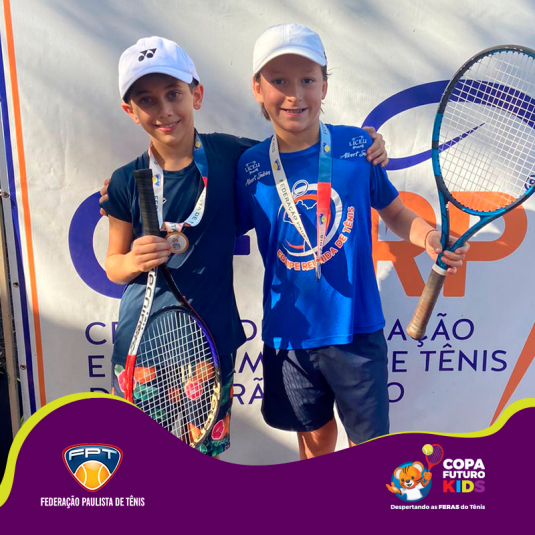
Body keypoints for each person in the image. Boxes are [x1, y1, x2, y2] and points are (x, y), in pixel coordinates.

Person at [100, 35, 388, 458]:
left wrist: (367, 144)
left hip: (210, 340)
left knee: (202, 460)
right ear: (130, 110)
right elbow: (113, 264)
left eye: (173, 94)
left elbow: (295, 151)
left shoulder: (233, 156)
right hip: (143, 341)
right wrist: (130, 261)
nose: (164, 110)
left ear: (196, 95)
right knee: (142, 461)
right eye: (146, 100)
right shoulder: (127, 180)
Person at [234, 23, 469, 460]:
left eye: (307, 80)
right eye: (279, 81)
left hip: (357, 332)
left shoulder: (358, 146)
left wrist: (429, 236)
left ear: (324, 85)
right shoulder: (249, 166)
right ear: (257, 88)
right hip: (290, 336)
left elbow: (396, 213)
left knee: (368, 452)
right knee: (315, 445)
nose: (294, 95)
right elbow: (215, 226)